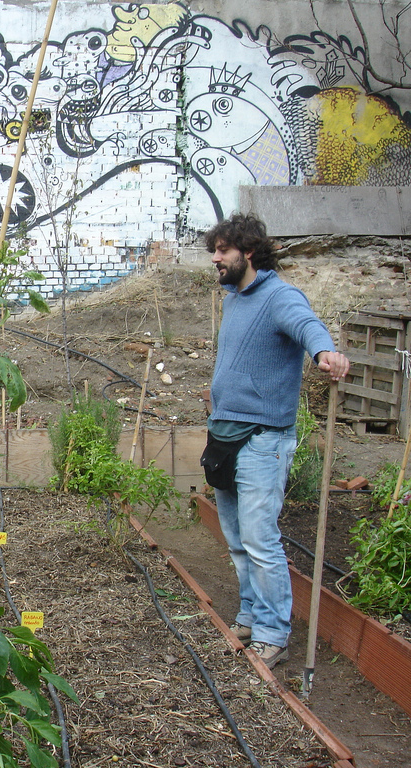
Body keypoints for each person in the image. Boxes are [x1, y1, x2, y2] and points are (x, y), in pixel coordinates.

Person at [204, 213, 349, 669]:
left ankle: (273, 633)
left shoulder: (279, 296)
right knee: (237, 537)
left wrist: (324, 352)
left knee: (261, 538)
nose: (216, 258)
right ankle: (250, 614)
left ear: (248, 252)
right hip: (226, 433)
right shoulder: (233, 298)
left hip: (263, 440)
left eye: (223, 250)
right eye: (214, 250)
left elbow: (307, 325)